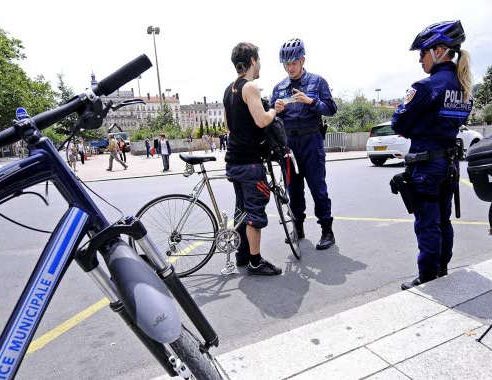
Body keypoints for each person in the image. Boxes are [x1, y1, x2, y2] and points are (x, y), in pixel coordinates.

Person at [392, 21, 473, 290]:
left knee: (427, 223)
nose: (420, 59)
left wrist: (414, 127)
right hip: (449, 164)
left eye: (423, 52)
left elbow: (399, 124)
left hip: (427, 165)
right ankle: (443, 268)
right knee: (443, 219)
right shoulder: (464, 88)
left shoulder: (426, 87)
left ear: (439, 50)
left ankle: (427, 277)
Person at [271, 38, 337, 250]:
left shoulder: (317, 82)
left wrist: (311, 101)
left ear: (302, 61)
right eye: (286, 64)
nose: (290, 68)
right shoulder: (279, 88)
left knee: (318, 188)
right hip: (289, 144)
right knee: (293, 189)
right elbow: (273, 119)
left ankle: (327, 230)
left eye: (293, 63)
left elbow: (331, 109)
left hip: (312, 140)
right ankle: (297, 227)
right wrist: (276, 110)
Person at [224, 42, 282, 276]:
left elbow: (228, 125)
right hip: (250, 162)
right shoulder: (250, 88)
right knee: (255, 212)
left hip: (234, 161)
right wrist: (274, 111)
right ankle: (256, 262)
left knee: (242, 208)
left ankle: (242, 255)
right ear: (252, 61)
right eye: (258, 60)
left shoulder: (229, 89)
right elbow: (261, 120)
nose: (260, 65)